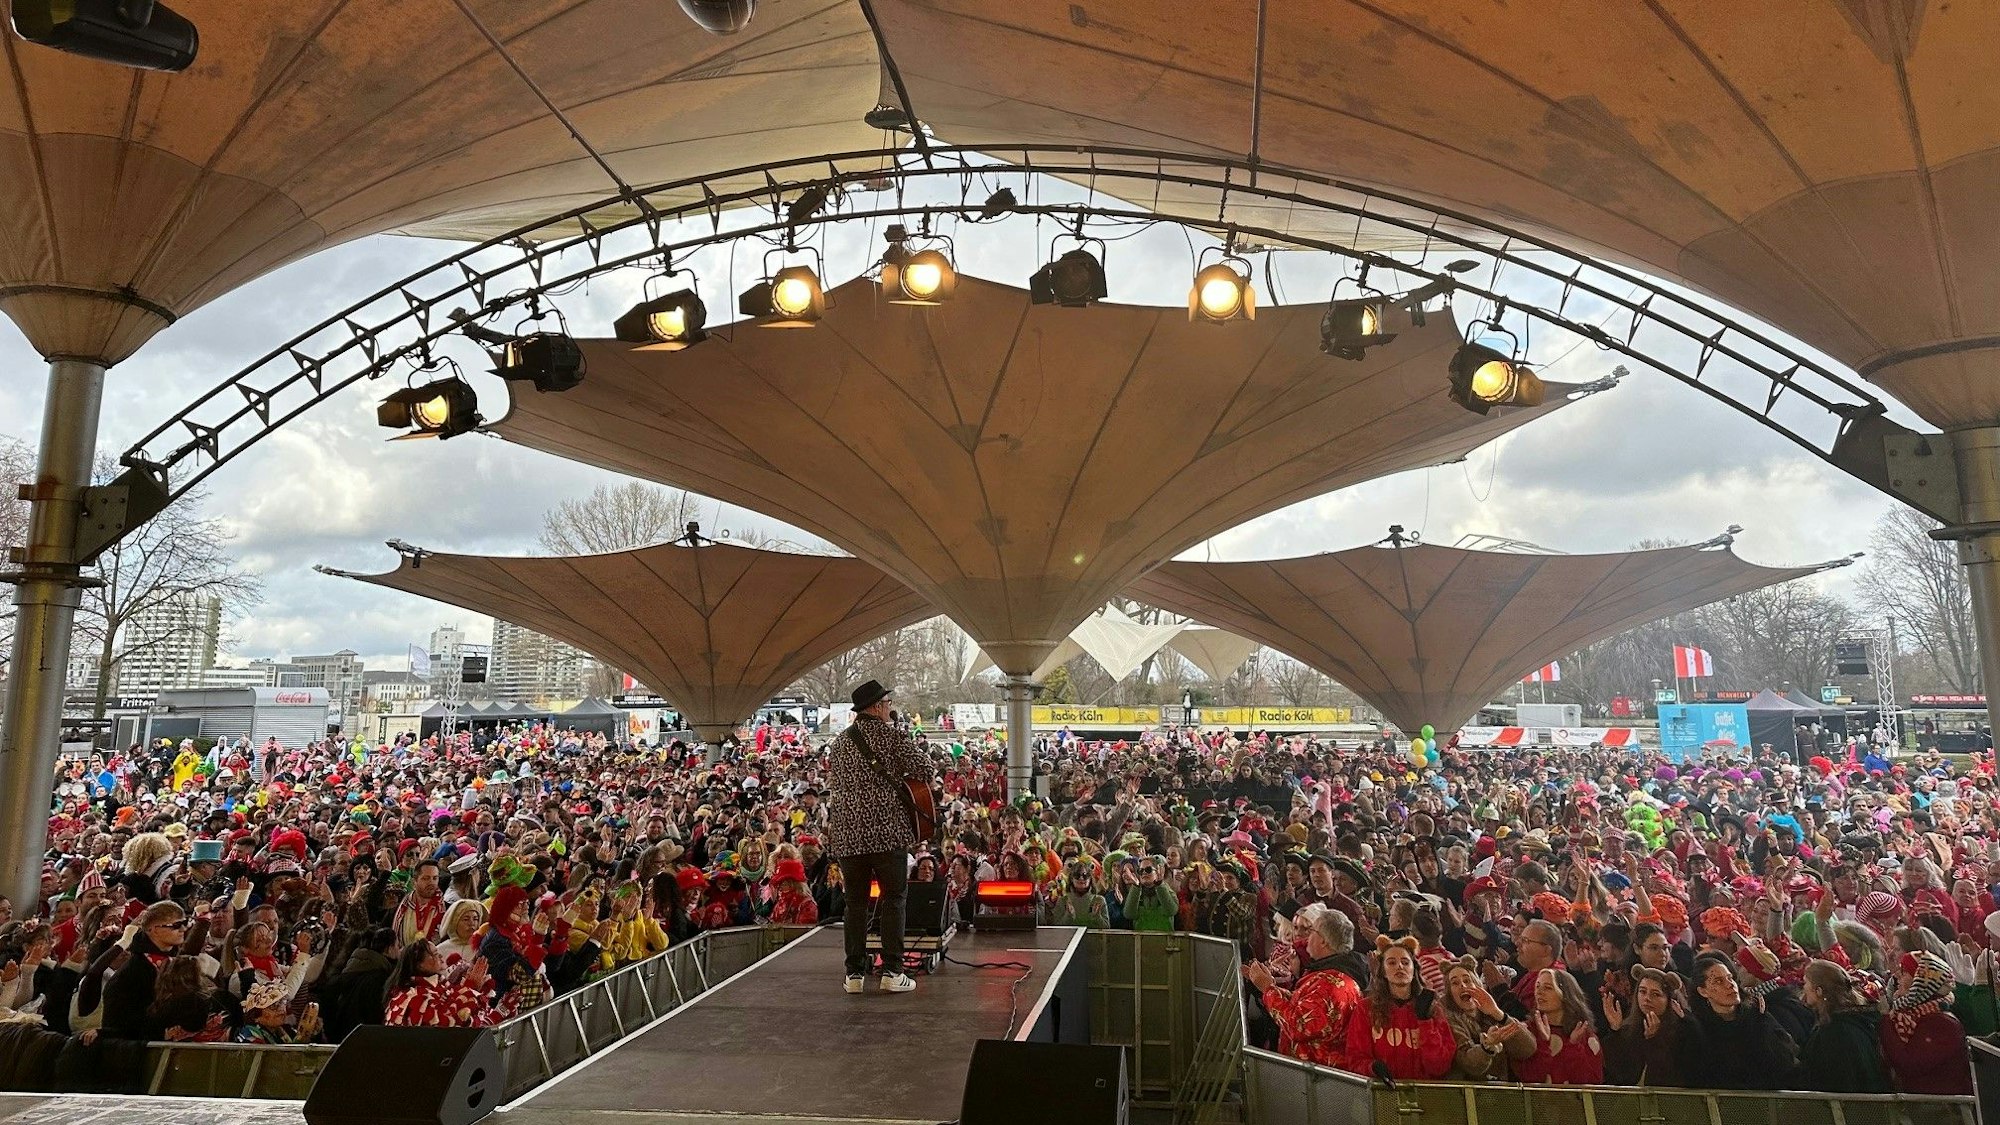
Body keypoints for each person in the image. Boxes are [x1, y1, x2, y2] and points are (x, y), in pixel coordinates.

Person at [827, 679, 933, 995]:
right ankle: (892, 971)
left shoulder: (840, 743)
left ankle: (854, 975)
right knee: (894, 899)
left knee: (855, 904)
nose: (889, 709)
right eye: (886, 704)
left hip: (848, 836)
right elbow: (925, 769)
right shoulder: (891, 737)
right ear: (876, 707)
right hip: (887, 834)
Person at [1244, 903, 1365, 1069]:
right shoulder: (1329, 975)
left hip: (1316, 1081)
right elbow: (1304, 1006)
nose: (1306, 937)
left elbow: (1298, 1026)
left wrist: (1267, 989)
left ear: (1323, 941)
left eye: (1312, 931)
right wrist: (1269, 984)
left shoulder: (1330, 985)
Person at [1346, 935, 1455, 1080]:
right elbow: (1355, 1058)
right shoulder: (1365, 1008)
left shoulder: (1433, 1008)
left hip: (1424, 1093)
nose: (1400, 967)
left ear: (1414, 969)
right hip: (1383, 1093)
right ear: (1383, 971)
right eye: (1391, 963)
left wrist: (1425, 1022)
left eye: (1405, 962)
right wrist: (1372, 1067)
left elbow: (1439, 1067)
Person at [1685, 953, 1797, 1089]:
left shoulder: (1758, 1016)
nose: (1730, 985)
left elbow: (1785, 1061)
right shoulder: (1697, 1027)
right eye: (1719, 981)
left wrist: (1762, 1029)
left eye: (1730, 978)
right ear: (1703, 991)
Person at [1880, 951, 1973, 1095]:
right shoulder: (1911, 1015)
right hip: (1924, 1107)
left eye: (1904, 972)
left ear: (1921, 981)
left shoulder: (1943, 1024)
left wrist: (1884, 1019)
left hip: (1945, 1111)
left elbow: (1908, 1064)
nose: (1896, 976)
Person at [1795, 959, 1890, 1093]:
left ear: (1819, 991)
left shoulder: (1834, 1032)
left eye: (1806, 982)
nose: (1803, 987)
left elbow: (1832, 1080)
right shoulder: (1858, 1020)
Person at [1440, 956, 1532, 1081]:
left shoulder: (1491, 1011)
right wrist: (1487, 1046)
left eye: (1467, 980)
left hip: (1501, 1093)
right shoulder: (1447, 1018)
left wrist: (1498, 1014)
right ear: (1449, 993)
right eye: (1455, 983)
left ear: (1477, 985)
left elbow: (1527, 1050)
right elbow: (1470, 1064)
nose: (1462, 985)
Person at [1603, 965, 1696, 1086]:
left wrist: (1654, 1040)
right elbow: (1619, 1074)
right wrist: (1615, 1031)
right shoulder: (1628, 1028)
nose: (1647, 998)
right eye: (1642, 991)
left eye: (1655, 994)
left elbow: (1671, 1075)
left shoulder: (1681, 1028)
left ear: (1669, 1000)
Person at [1516, 968, 1604, 1084]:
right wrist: (1543, 1043)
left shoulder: (1584, 1035)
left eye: (1548, 988)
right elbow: (1529, 1079)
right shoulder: (1527, 1031)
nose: (1539, 992)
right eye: (1537, 986)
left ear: (1565, 995)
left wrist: (1573, 1047)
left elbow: (1591, 1083)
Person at [385, 939, 494, 1028]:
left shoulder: (440, 985)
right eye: (435, 954)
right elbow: (448, 1024)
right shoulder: (413, 996)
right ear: (420, 964)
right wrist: (470, 988)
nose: (441, 957)